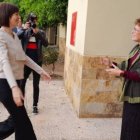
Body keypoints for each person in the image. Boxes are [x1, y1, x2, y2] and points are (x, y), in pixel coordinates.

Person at [0, 2, 51, 140]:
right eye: (16, 14)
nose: (19, 17)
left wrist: (41, 71)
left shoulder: (14, 36)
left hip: (14, 84)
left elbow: (24, 57)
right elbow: (4, 62)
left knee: (16, 122)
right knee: (24, 124)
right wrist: (15, 88)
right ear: (7, 16)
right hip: (6, 85)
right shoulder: (1, 36)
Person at [102, 18, 140, 140]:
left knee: (134, 129)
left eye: (135, 29)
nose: (132, 32)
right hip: (131, 96)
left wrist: (121, 73)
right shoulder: (136, 49)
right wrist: (111, 63)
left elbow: (137, 74)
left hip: (138, 100)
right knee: (128, 127)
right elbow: (127, 66)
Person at [18, 13, 48, 114]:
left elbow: (46, 44)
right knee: (22, 83)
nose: (33, 22)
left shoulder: (41, 32)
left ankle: (35, 105)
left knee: (36, 84)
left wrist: (37, 33)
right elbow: (15, 37)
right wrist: (23, 29)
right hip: (25, 62)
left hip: (37, 61)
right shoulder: (24, 32)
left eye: (35, 20)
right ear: (28, 21)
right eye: (31, 20)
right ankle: (21, 106)